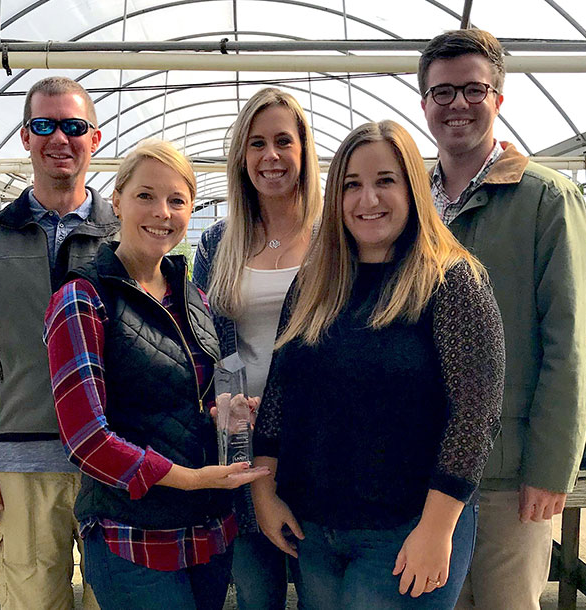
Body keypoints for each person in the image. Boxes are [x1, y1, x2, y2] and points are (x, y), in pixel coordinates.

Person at [251, 120, 506, 609]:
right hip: (315, 529)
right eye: (352, 185)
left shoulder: (452, 282)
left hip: (404, 530)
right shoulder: (316, 284)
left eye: (384, 181)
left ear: (412, 187)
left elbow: (475, 417)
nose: (367, 200)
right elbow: (282, 392)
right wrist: (265, 492)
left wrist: (436, 528)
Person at [44, 140, 270, 610]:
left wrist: (224, 414)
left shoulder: (192, 295)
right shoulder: (83, 298)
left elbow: (189, 398)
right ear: (118, 200)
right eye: (145, 195)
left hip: (205, 532)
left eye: (177, 200)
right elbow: (86, 440)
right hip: (132, 535)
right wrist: (190, 478)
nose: (161, 212)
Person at [417, 29, 586, 610]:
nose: (458, 105)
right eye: (442, 93)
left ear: (498, 98)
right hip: (420, 463)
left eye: (474, 89)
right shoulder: (411, 201)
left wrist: (551, 468)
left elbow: (571, 343)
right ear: (423, 104)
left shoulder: (545, 200)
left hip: (506, 471)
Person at [0, 76, 117, 609]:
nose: (58, 138)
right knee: (32, 601)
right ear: (25, 137)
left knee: (113, 600)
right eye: (43, 125)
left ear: (95, 137)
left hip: (113, 459)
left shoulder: (125, 234)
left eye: (72, 126)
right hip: (22, 464)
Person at [192, 87, 323, 610]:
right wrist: (216, 404)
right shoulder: (219, 242)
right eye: (256, 144)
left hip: (319, 439)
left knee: (322, 584)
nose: (271, 156)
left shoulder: (334, 235)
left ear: (304, 151)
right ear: (242, 158)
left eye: (283, 142)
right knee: (254, 586)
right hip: (243, 442)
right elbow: (199, 339)